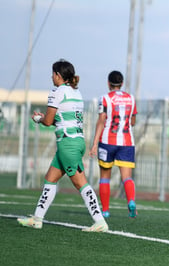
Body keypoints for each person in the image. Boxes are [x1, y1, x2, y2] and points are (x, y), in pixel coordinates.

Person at [17, 59, 108, 232]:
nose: (51, 77)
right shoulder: (76, 92)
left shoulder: (57, 92)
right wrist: (46, 118)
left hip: (68, 144)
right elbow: (61, 119)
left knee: (81, 183)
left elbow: (49, 120)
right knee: (50, 179)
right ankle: (37, 218)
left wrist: (39, 118)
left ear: (58, 75)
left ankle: (100, 221)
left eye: (53, 73)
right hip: (75, 141)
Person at [89, 71, 138, 218]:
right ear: (122, 83)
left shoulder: (105, 99)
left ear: (108, 83)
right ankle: (131, 201)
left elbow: (101, 120)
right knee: (127, 177)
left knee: (105, 177)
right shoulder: (131, 99)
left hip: (107, 141)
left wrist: (94, 144)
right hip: (127, 142)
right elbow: (133, 121)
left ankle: (105, 210)